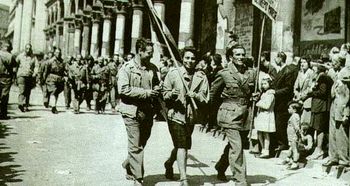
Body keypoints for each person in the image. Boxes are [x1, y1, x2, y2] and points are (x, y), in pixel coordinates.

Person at [162, 46, 209, 185]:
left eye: (193, 58)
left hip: (191, 116)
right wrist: (172, 94)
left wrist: (195, 95)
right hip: (175, 115)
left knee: (180, 145)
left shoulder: (202, 76)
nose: (190, 61)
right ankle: (184, 178)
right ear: (182, 59)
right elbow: (165, 94)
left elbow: (205, 97)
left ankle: (169, 163)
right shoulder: (173, 73)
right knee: (182, 145)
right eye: (187, 58)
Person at [210, 45, 256, 185]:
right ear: (231, 57)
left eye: (243, 54)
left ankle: (221, 166)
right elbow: (212, 94)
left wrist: (255, 96)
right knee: (237, 147)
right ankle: (240, 180)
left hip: (245, 114)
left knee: (235, 145)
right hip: (229, 114)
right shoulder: (224, 73)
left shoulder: (251, 73)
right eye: (238, 54)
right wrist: (212, 114)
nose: (241, 57)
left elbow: (252, 91)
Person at [117, 38, 160, 185]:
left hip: (148, 112)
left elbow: (157, 85)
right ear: (140, 51)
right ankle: (138, 178)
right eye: (148, 53)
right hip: (131, 111)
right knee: (135, 145)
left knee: (142, 143)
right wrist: (146, 93)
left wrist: (157, 89)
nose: (151, 55)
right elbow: (123, 89)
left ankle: (129, 165)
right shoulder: (126, 68)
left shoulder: (153, 68)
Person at [323, 54, 350, 168]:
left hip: (342, 105)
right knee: (333, 131)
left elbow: (347, 95)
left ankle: (343, 159)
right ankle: (333, 157)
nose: (333, 63)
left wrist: (346, 112)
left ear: (340, 62)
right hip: (334, 104)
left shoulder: (346, 73)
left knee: (341, 133)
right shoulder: (337, 72)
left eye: (335, 61)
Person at [304, 62, 333, 160]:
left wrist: (310, 93)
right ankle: (319, 148)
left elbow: (322, 92)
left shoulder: (323, 78)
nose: (313, 70)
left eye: (314, 69)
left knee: (319, 128)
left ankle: (319, 149)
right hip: (318, 106)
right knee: (318, 128)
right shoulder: (321, 77)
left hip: (321, 106)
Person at [271, 51, 299, 153]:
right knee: (277, 122)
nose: (275, 60)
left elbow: (288, 88)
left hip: (283, 102)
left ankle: (283, 143)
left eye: (276, 58)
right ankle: (279, 143)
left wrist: (275, 92)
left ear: (280, 58)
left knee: (280, 123)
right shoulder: (280, 70)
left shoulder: (287, 71)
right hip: (278, 101)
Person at [254, 77, 275, 158]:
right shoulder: (264, 93)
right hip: (261, 115)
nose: (263, 85)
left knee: (266, 134)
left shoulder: (271, 94)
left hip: (267, 115)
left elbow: (267, 106)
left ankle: (266, 150)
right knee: (259, 132)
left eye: (265, 83)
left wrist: (258, 103)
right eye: (262, 84)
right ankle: (262, 149)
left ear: (269, 84)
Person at [15, 43, 38, 112]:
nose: (28, 50)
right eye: (27, 48)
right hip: (21, 75)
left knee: (28, 92)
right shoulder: (20, 56)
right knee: (22, 90)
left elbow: (36, 66)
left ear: (31, 49)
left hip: (29, 76)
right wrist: (15, 74)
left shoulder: (34, 57)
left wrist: (35, 73)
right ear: (24, 49)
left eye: (29, 48)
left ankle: (26, 106)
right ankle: (20, 103)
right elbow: (16, 64)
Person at [43, 48, 65, 114]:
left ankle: (53, 104)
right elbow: (46, 71)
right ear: (54, 53)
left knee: (56, 93)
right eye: (57, 52)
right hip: (51, 78)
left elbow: (64, 70)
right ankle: (53, 107)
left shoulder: (62, 61)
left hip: (59, 79)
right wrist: (44, 79)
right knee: (53, 91)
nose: (58, 54)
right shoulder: (50, 61)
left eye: (59, 52)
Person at [293, 56, 314, 126]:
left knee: (305, 124)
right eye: (301, 62)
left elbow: (310, 88)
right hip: (298, 101)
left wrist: (301, 96)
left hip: (307, 101)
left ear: (308, 63)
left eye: (304, 62)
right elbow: (296, 86)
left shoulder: (311, 73)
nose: (302, 64)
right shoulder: (300, 73)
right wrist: (296, 94)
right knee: (298, 123)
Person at [0, 40, 16, 119]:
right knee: (4, 96)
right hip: (6, 78)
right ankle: (3, 114)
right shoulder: (11, 56)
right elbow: (14, 68)